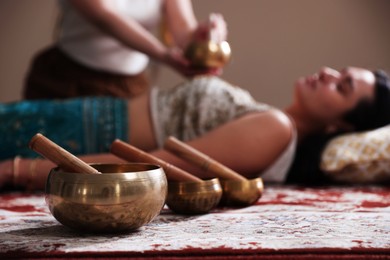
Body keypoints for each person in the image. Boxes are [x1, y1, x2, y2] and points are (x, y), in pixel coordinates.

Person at [1, 67, 389, 191]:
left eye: (342, 87)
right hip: (87, 116)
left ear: (340, 124)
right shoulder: (271, 118)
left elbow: (153, 163)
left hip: (82, 134)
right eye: (339, 70)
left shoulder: (276, 128)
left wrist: (19, 171)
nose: (328, 74)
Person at [23, 0, 227, 99]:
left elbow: (183, 30)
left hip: (131, 87)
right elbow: (104, 17)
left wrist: (202, 37)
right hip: (66, 80)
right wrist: (162, 54)